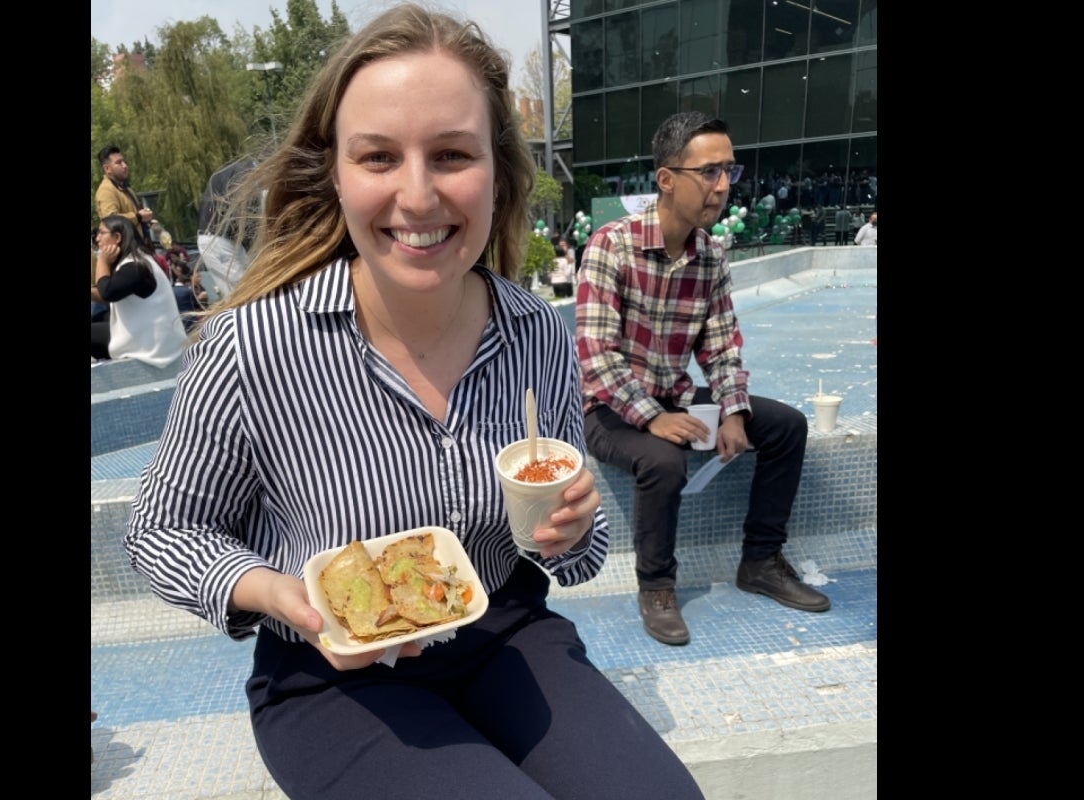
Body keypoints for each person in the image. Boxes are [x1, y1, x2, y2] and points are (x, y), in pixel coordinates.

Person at [123, 6, 705, 800]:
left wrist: (566, 530)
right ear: (337, 172)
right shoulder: (252, 347)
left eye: (452, 154)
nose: (418, 194)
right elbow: (163, 529)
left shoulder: (535, 331)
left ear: (498, 168)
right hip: (331, 678)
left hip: (506, 632)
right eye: (379, 157)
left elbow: (581, 545)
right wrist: (279, 595)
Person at [575, 110, 831, 648]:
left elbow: (720, 344)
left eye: (730, 172)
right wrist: (655, 418)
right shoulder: (609, 247)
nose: (722, 187)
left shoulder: (710, 254)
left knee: (786, 427)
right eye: (710, 172)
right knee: (663, 458)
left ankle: (760, 560)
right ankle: (657, 586)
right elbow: (596, 357)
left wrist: (734, 410)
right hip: (606, 409)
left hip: (672, 395)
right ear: (667, 180)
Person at [90, 215, 189, 366]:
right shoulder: (137, 262)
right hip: (149, 338)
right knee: (101, 317)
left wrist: (102, 260)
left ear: (117, 237)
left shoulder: (136, 266)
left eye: (101, 233)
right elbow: (109, 294)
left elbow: (107, 292)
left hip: (154, 347)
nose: (97, 239)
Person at [196, 156, 259, 299]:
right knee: (242, 295)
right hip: (218, 240)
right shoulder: (245, 174)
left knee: (248, 289)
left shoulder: (240, 170)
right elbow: (243, 218)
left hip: (221, 238)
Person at [95, 145, 155, 248]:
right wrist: (138, 217)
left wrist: (145, 221)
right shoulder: (106, 190)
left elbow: (135, 218)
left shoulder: (125, 187)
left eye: (124, 161)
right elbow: (111, 221)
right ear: (107, 168)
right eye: (119, 163)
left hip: (141, 247)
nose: (125, 165)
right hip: (127, 251)